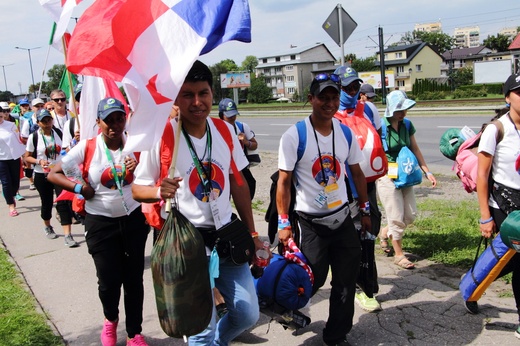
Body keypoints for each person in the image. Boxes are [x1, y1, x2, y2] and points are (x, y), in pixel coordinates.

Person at [132, 60, 264, 345]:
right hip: (186, 245)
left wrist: (253, 234)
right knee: (200, 328)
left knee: (247, 314)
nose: (196, 102)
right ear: (176, 98)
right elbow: (137, 189)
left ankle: (220, 341)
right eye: (188, 94)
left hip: (226, 238)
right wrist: (158, 191)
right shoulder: (165, 135)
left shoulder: (225, 131)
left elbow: (239, 185)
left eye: (203, 93)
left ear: (212, 94)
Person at [277, 73, 370, 346]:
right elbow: (283, 183)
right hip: (310, 223)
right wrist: (284, 223)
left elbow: (357, 173)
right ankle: (289, 308)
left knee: (345, 281)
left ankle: (336, 335)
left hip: (342, 220)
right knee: (310, 280)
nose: (329, 103)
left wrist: (365, 211)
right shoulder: (295, 135)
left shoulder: (345, 133)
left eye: (333, 97)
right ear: (311, 99)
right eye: (323, 97)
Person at [48, 97, 149, 346]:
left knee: (134, 279)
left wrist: (138, 166)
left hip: (133, 220)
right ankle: (110, 320)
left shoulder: (134, 146)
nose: (114, 124)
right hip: (100, 223)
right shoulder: (87, 147)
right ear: (98, 122)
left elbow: (150, 177)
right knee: (108, 279)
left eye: (119, 118)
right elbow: (53, 172)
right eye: (108, 120)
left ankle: (134, 333)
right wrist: (80, 188)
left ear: (125, 120)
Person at [467, 73, 520, 335]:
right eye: (519, 91)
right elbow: (482, 175)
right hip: (504, 206)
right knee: (519, 262)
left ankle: (472, 284)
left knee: (507, 260)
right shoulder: (496, 129)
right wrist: (485, 216)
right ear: (508, 97)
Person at [334, 66, 383, 312]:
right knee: (356, 237)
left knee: (370, 231)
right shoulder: (332, 114)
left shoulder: (369, 109)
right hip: (345, 186)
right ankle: (363, 287)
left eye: (355, 87)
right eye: (346, 88)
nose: (352, 92)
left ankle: (363, 282)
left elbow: (379, 137)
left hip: (369, 182)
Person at [376, 90, 437, 269]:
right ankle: (399, 254)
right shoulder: (380, 126)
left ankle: (385, 232)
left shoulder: (407, 125)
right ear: (390, 109)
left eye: (405, 109)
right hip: (387, 175)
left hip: (406, 173)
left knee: (410, 215)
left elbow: (415, 149)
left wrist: (427, 172)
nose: (403, 113)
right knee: (395, 216)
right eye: (399, 109)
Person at [23, 109, 78, 247]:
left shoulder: (58, 133)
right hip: (42, 174)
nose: (47, 123)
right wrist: (39, 162)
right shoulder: (34, 137)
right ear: (38, 123)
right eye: (44, 121)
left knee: (63, 202)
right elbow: (27, 157)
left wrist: (74, 143)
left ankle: (68, 235)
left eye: (49, 120)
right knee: (46, 202)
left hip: (58, 172)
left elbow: (65, 150)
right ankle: (47, 225)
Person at [218, 98, 259, 199]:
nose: (232, 118)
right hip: (223, 167)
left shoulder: (242, 126)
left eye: (234, 114)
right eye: (229, 116)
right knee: (224, 193)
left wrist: (246, 142)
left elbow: (255, 145)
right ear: (221, 115)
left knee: (250, 185)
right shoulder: (215, 128)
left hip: (240, 166)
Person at [0, 103, 26, 216]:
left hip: (14, 157)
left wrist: (24, 156)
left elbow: (18, 141)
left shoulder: (11, 125)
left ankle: (12, 195)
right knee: (6, 182)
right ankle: (11, 205)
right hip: (1, 160)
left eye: (0, 116)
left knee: (15, 182)